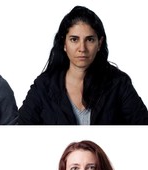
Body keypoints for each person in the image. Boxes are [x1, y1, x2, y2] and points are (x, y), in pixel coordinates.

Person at [17, 6, 148, 125]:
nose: (82, 48)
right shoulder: (43, 86)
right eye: (74, 39)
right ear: (64, 43)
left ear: (99, 43)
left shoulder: (118, 84)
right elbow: (20, 131)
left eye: (90, 40)